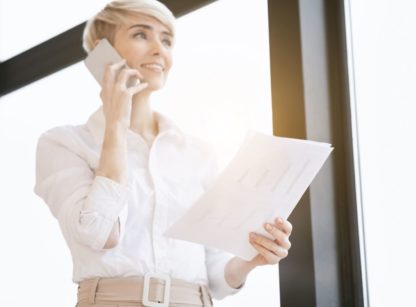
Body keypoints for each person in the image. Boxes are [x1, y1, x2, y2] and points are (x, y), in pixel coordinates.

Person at [34, 1, 293, 306]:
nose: (159, 49)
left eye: (167, 40)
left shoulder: (198, 154)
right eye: (141, 35)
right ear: (102, 52)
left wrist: (252, 258)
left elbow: (215, 277)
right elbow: (99, 233)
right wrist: (116, 123)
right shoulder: (65, 143)